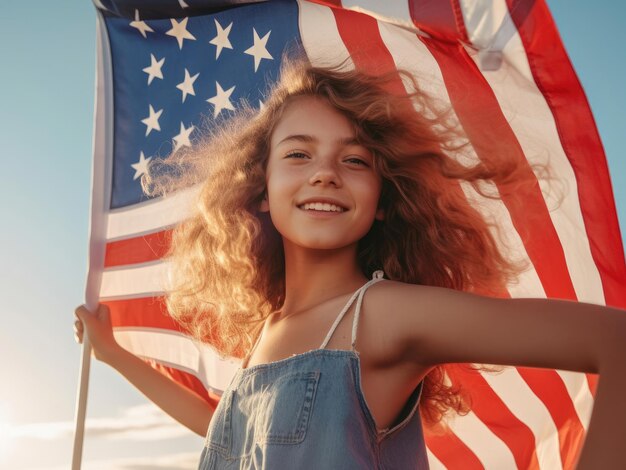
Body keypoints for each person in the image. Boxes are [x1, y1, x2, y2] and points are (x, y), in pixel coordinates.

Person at [74, 58, 626, 469]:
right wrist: (115, 356)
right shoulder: (269, 332)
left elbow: (615, 341)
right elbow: (229, 434)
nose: (324, 173)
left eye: (354, 159)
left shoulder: (381, 314)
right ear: (259, 189)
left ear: (384, 199)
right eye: (297, 153)